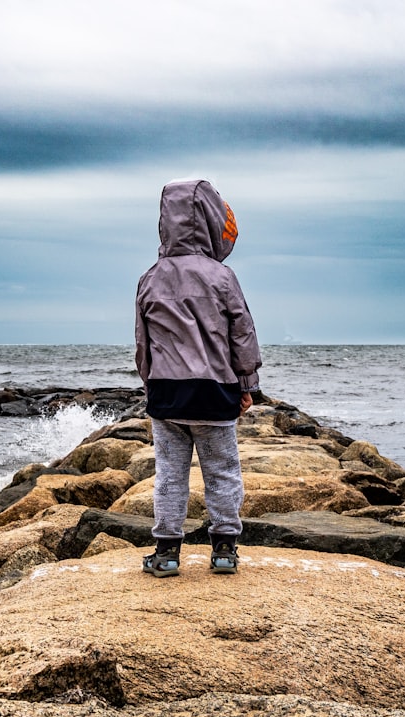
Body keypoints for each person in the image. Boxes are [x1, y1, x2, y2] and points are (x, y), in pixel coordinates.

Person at [134, 178, 262, 577]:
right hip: (215, 392)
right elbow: (241, 333)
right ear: (210, 221)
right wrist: (247, 386)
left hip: (167, 394)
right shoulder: (222, 277)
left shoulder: (150, 278)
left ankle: (167, 552)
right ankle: (224, 549)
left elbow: (143, 343)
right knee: (222, 471)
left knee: (170, 476)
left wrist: (149, 385)